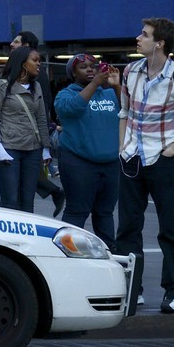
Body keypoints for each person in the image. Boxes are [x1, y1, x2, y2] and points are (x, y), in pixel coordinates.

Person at [115, 17, 174, 313]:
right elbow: (124, 112)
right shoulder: (131, 71)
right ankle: (133, 289)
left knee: (172, 227)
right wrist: (122, 147)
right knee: (128, 226)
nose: (137, 38)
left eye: (144, 35)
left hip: (165, 157)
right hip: (132, 157)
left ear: (160, 43)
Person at [55, 53, 120, 249]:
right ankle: (67, 251)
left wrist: (117, 86)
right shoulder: (65, 94)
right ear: (73, 73)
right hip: (78, 161)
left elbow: (130, 111)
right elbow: (72, 109)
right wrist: (95, 84)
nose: (90, 69)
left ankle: (110, 253)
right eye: (83, 67)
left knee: (105, 212)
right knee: (77, 211)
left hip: (110, 163)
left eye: (93, 66)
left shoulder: (108, 93)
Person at [0, 45, 51, 213]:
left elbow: (42, 119)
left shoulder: (37, 87)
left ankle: (25, 239)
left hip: (33, 150)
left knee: (27, 202)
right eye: (35, 60)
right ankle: (5, 239)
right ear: (23, 63)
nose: (39, 64)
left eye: (40, 61)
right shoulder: (1, 86)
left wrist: (46, 148)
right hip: (9, 149)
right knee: (10, 201)